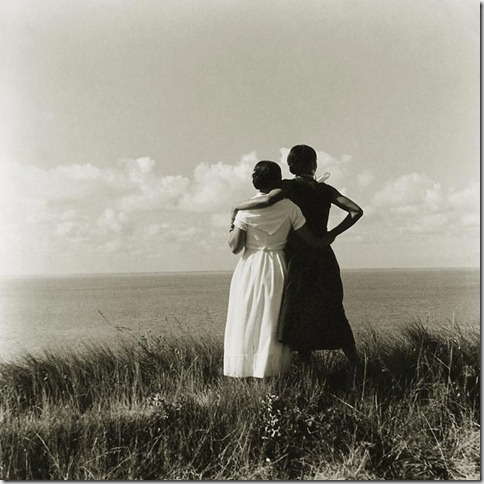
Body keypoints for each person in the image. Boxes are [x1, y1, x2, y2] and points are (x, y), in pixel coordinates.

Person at [232, 145, 363, 364]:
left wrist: (237, 208)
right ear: (315, 164)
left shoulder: (288, 187)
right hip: (323, 254)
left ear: (291, 166)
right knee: (332, 308)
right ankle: (356, 363)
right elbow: (356, 211)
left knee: (297, 308)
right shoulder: (326, 189)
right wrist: (332, 234)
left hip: (297, 256)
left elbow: (265, 201)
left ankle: (306, 365)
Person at [224, 160, 332, 378]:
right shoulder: (290, 208)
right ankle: (271, 369)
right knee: (273, 318)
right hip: (277, 265)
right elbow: (310, 239)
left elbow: (235, 248)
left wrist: (233, 224)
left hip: (250, 267)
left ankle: (245, 369)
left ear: (255, 181)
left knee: (247, 316)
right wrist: (331, 235)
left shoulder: (245, 211)